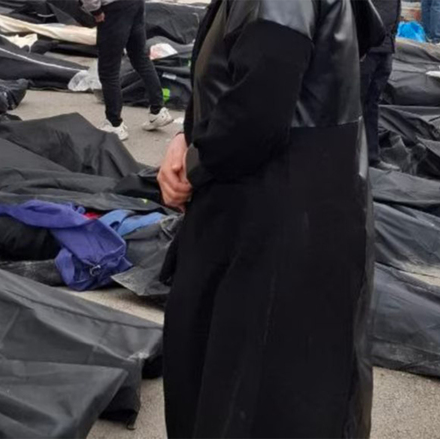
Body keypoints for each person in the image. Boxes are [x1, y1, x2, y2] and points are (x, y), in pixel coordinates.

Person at [156, 0, 379, 437]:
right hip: (292, 204)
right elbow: (240, 75)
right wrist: (185, 137)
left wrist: (197, 161)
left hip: (272, 216)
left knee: (257, 391)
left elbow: (257, 113)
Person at [80, 0, 173, 141]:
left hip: (113, 9)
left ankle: (114, 123)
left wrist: (95, 11)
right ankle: (158, 109)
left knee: (108, 70)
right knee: (140, 58)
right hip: (135, 4)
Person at [361, 0, 401, 171]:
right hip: (367, 47)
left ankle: (371, 156)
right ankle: (351, 157)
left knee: (371, 103)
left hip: (384, 45)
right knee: (356, 103)